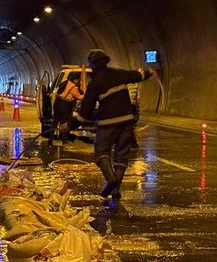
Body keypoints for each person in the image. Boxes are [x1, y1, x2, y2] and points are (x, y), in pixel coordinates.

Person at [64, 49, 155, 202]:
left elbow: (84, 113)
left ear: (92, 65)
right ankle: (116, 189)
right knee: (121, 156)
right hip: (127, 121)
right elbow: (137, 75)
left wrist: (70, 125)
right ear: (106, 61)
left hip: (107, 123)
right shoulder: (119, 73)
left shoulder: (95, 83)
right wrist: (149, 73)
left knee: (101, 153)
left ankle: (110, 179)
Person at [52, 72, 84, 145]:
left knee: (55, 122)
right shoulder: (74, 87)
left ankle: (50, 140)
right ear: (75, 80)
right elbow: (79, 97)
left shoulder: (65, 82)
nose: (79, 81)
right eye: (78, 80)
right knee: (66, 123)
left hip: (57, 104)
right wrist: (87, 95)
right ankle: (64, 140)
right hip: (65, 105)